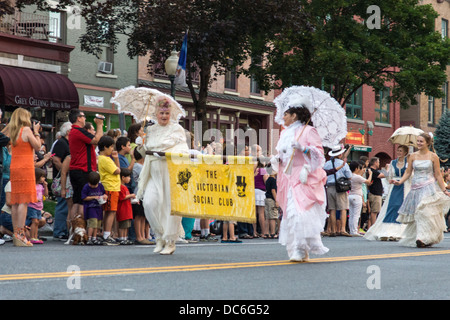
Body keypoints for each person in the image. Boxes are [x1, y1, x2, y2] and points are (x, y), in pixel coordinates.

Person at [271, 98, 329, 262]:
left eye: (286, 114)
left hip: (304, 176)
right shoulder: (284, 133)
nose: (283, 117)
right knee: (290, 213)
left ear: (294, 115)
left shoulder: (309, 131)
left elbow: (319, 156)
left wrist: (304, 149)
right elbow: (283, 156)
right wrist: (278, 159)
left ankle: (301, 248)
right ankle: (296, 249)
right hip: (288, 177)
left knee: (300, 212)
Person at [137, 96, 189, 255]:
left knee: (170, 207)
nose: (164, 116)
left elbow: (183, 151)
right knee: (149, 204)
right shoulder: (150, 129)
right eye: (161, 113)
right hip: (153, 172)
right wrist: (141, 143)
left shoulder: (177, 129)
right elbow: (143, 154)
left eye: (167, 113)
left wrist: (167, 154)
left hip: (170, 173)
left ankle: (170, 241)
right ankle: (160, 236)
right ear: (156, 113)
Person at [393, 133, 450, 248]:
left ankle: (423, 238)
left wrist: (444, 190)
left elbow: (438, 175)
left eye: (421, 141)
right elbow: (408, 172)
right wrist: (400, 182)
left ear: (427, 143)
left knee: (425, 212)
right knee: (417, 214)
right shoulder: (412, 156)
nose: (418, 143)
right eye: (417, 141)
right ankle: (420, 237)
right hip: (415, 188)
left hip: (428, 187)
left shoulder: (433, 156)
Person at [8, 108, 41, 246]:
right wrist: (37, 132)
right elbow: (38, 146)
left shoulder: (12, 131)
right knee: (24, 201)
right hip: (25, 168)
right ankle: (21, 235)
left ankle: (17, 234)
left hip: (14, 167)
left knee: (16, 201)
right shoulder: (27, 130)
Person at [364, 145, 410, 241]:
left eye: (401, 151)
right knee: (392, 206)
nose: (398, 152)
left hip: (405, 186)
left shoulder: (408, 162)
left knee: (401, 206)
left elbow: (410, 174)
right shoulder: (393, 162)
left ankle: (401, 231)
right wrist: (390, 179)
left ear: (405, 153)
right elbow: (389, 175)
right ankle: (387, 230)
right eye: (398, 150)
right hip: (394, 186)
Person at [68, 109, 104, 222]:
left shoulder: (73, 131)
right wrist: (99, 125)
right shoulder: (78, 130)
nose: (85, 118)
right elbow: (97, 140)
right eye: (83, 116)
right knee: (83, 201)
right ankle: (80, 227)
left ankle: (74, 230)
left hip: (76, 169)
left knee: (77, 200)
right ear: (78, 118)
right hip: (83, 169)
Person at [323, 145, 352, 237]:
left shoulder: (327, 163)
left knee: (332, 209)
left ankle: (333, 230)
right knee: (343, 208)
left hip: (329, 187)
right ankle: (343, 229)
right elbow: (349, 176)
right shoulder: (343, 163)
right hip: (340, 188)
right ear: (340, 154)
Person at [97, 135, 121, 245]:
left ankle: (106, 232)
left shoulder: (105, 158)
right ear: (105, 147)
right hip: (110, 187)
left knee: (109, 211)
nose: (112, 149)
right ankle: (106, 234)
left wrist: (115, 158)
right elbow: (117, 171)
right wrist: (116, 159)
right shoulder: (105, 159)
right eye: (111, 147)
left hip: (112, 187)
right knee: (111, 211)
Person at [52, 121, 72, 241]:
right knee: (62, 204)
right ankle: (59, 230)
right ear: (69, 131)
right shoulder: (61, 143)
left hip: (65, 177)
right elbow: (55, 160)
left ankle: (63, 229)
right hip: (61, 179)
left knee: (65, 204)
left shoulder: (67, 143)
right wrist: (65, 172)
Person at [132, 147, 152, 245]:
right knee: (138, 216)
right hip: (139, 193)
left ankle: (144, 236)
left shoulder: (143, 166)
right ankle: (139, 236)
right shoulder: (137, 166)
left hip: (145, 193)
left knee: (143, 216)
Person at [348, 161, 372, 236]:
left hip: (350, 195)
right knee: (356, 215)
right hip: (357, 196)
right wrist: (370, 174)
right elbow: (368, 182)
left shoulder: (349, 176)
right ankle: (354, 231)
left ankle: (351, 230)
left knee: (351, 214)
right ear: (356, 168)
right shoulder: (357, 177)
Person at [81, 171, 106, 245]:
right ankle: (89, 238)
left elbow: (104, 193)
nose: (93, 186)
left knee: (97, 224)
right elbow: (84, 197)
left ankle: (94, 238)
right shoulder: (86, 187)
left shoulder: (100, 186)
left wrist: (105, 196)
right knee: (92, 223)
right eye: (91, 185)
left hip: (98, 207)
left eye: (95, 185)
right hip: (90, 208)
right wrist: (94, 197)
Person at [26, 168, 48, 244]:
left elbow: (45, 194)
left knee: (37, 222)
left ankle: (35, 237)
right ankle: (32, 237)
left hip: (38, 207)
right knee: (34, 221)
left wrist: (45, 186)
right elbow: (28, 195)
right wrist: (34, 199)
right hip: (32, 206)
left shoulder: (40, 186)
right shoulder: (31, 186)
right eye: (42, 177)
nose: (44, 178)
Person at [117, 168, 135, 245]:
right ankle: (121, 238)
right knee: (122, 225)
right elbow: (122, 197)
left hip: (127, 209)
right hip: (123, 209)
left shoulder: (125, 186)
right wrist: (131, 195)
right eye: (128, 177)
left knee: (126, 225)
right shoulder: (121, 186)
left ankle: (125, 238)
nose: (129, 179)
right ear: (123, 177)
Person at [367, 157, 385, 228]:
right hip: (375, 194)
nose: (379, 164)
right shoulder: (373, 171)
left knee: (374, 211)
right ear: (375, 163)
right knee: (374, 211)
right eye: (378, 162)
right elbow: (383, 175)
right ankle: (373, 227)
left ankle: (371, 226)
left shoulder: (372, 171)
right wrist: (385, 169)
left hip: (374, 193)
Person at [264, 166, 279, 239]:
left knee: (267, 217)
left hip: (267, 198)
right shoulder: (273, 180)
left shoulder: (267, 179)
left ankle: (266, 232)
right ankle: (272, 233)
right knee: (272, 217)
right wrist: (276, 200)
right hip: (271, 200)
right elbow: (273, 190)